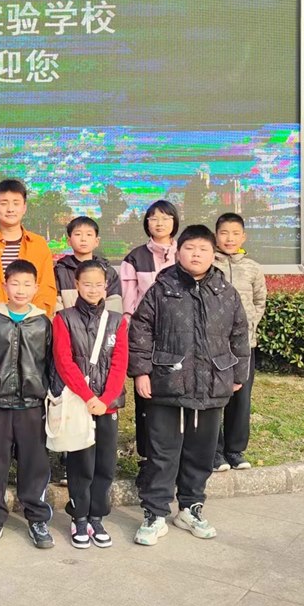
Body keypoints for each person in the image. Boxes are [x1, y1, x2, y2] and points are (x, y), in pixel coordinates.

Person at [128, 224, 249, 545]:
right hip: (167, 382)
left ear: (213, 254)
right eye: (190, 248)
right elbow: (140, 331)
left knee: (201, 451)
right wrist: (141, 372)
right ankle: (155, 513)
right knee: (162, 453)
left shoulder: (225, 292)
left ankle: (190, 507)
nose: (196, 254)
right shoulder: (161, 289)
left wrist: (238, 375)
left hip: (211, 384)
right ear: (178, 252)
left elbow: (239, 335)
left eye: (203, 249)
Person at [0, 260, 55, 550]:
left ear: (36, 287)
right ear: (5, 285)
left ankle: (37, 518)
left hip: (31, 405)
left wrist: (52, 397)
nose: (21, 290)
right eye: (15, 283)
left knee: (35, 464)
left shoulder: (43, 322)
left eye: (27, 284)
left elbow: (52, 364)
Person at [52, 260, 128, 549]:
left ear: (106, 287)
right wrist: (88, 397)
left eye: (98, 284)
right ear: (76, 285)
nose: (93, 289)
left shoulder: (117, 321)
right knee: (81, 463)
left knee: (105, 464)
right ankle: (80, 517)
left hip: (108, 405)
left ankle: (97, 516)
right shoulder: (64, 318)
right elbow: (64, 361)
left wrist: (105, 400)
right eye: (87, 284)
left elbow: (120, 363)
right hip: (79, 402)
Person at [119, 200, 181, 482]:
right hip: (146, 336)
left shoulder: (185, 252)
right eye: (153, 218)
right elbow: (128, 305)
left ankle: (178, 455)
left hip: (179, 337)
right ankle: (147, 458)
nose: (159, 223)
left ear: (174, 222)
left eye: (165, 218)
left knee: (178, 394)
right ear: (146, 222)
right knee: (145, 397)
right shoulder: (135, 258)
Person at [212, 212, 267, 472]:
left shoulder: (253, 268)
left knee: (241, 397)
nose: (229, 238)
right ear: (216, 236)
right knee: (214, 397)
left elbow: (259, 301)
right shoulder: (209, 265)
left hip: (244, 346)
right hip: (214, 346)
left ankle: (235, 449)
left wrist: (249, 325)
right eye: (224, 233)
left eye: (235, 233)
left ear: (243, 237)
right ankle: (214, 450)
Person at [0, 179, 56, 319]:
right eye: (4, 203)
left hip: (33, 326)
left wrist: (31, 322)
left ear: (24, 207)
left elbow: (46, 290)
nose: (10, 209)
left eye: (16, 203)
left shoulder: (39, 245)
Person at [54, 216, 123, 313]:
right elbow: (56, 305)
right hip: (68, 322)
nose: (83, 239)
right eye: (78, 234)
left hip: (102, 323)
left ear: (96, 241)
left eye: (89, 234)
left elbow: (114, 306)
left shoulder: (108, 272)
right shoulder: (59, 271)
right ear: (69, 241)